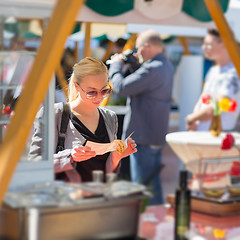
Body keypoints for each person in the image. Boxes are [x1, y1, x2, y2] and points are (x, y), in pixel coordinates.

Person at [28, 57, 137, 182]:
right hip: (64, 198)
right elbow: (35, 163)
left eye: (104, 90)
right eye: (92, 92)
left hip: (100, 197)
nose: (99, 97)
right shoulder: (54, 114)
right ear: (77, 86)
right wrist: (70, 157)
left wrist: (116, 157)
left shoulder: (109, 117)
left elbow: (107, 172)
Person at [108, 29, 174, 205]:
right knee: (153, 185)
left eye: (138, 49)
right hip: (154, 135)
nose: (137, 53)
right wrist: (135, 66)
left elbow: (121, 87)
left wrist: (116, 64)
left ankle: (148, 227)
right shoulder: (165, 66)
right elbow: (146, 88)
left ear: (147, 46)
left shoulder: (152, 69)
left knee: (142, 188)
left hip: (143, 138)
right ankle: (158, 225)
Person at [186, 28, 240, 131]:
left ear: (224, 45)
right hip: (203, 134)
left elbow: (217, 107)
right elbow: (203, 98)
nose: (203, 47)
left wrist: (191, 118)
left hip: (219, 137)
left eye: (208, 44)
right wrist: (194, 118)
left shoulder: (233, 74)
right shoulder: (214, 70)